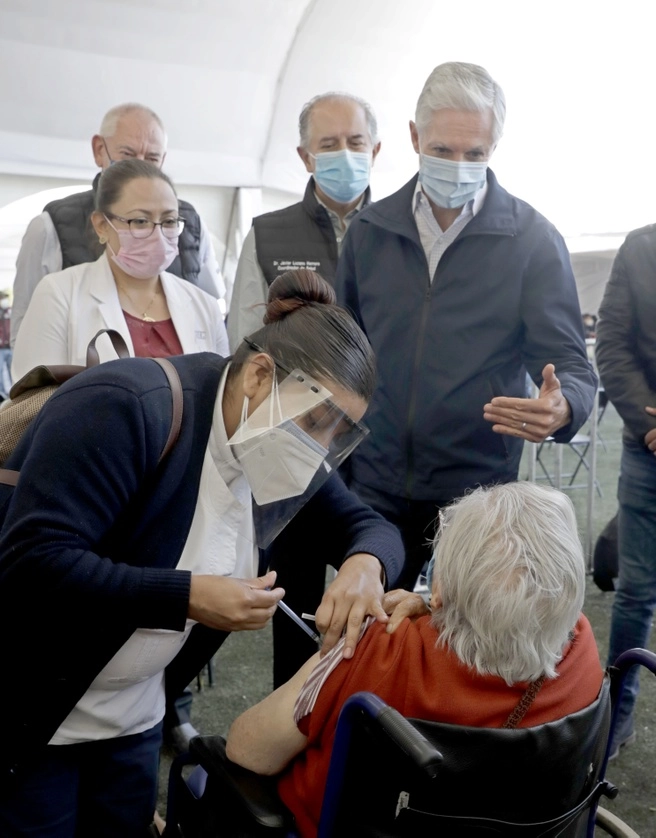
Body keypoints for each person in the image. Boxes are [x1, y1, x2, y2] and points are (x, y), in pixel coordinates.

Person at [0, 269, 404, 837]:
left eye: (339, 433)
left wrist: (367, 565)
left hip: (134, 717)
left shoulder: (273, 447)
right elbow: (33, 564)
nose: (322, 447)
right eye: (316, 421)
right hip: (36, 715)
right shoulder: (127, 407)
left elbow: (370, 527)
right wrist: (188, 596)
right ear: (260, 375)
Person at [335, 61, 597, 590]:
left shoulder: (532, 240)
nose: (458, 166)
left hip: (476, 492)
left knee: (459, 649)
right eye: (442, 151)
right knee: (373, 644)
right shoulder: (368, 232)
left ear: (494, 148)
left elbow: (571, 363)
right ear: (413, 137)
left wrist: (564, 403)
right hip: (374, 485)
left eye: (474, 154)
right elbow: (341, 352)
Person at [226, 482, 604, 838]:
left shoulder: (382, 650)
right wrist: (433, 607)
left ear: (437, 590)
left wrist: (428, 609)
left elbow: (247, 750)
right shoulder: (581, 648)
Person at [11, 102, 225, 348]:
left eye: (152, 158)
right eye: (127, 155)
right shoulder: (53, 226)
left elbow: (210, 308)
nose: (140, 168)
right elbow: (25, 339)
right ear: (99, 150)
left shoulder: (192, 225)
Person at [11, 159, 228, 382]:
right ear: (101, 225)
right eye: (140, 221)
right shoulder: (59, 294)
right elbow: (32, 402)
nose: (158, 234)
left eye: (169, 221)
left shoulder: (206, 307)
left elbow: (223, 397)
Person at [227, 91, 381, 350]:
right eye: (329, 145)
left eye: (355, 143)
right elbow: (246, 341)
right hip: (297, 387)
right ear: (306, 157)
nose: (344, 154)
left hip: (381, 388)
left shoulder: (398, 231)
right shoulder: (266, 235)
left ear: (374, 151)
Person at [595, 224, 656, 758]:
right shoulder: (640, 248)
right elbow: (611, 346)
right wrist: (649, 422)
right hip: (649, 446)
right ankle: (617, 713)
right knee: (636, 590)